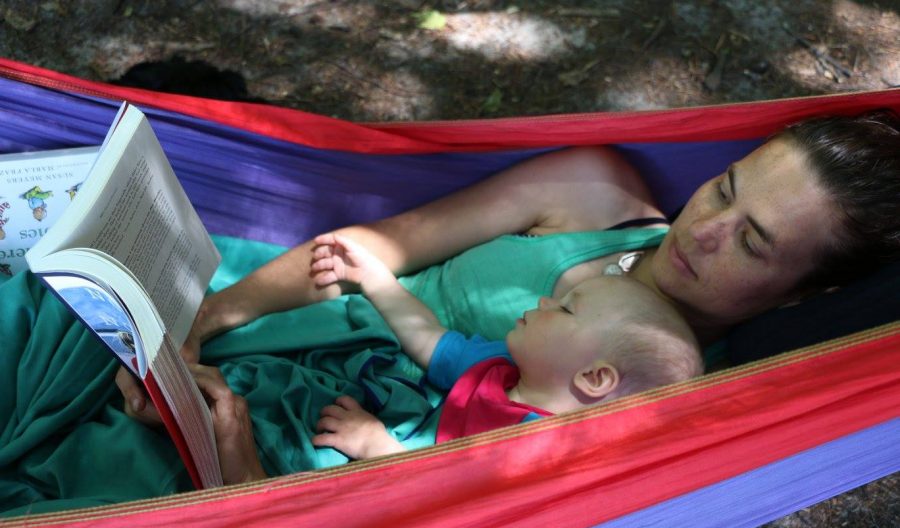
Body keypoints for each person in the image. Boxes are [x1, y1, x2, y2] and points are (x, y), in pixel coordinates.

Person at [113, 111, 899, 484]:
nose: (703, 230)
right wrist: (201, 323)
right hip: (288, 317)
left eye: (754, 241)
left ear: (813, 290)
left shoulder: (686, 410)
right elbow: (382, 244)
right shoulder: (594, 190)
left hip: (327, 468)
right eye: (723, 187)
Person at [307, 233, 702, 459]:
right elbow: (427, 337)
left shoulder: (539, 451)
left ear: (595, 376)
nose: (545, 301)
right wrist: (374, 278)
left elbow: (448, 499)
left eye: (565, 309)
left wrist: (377, 447)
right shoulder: (501, 367)